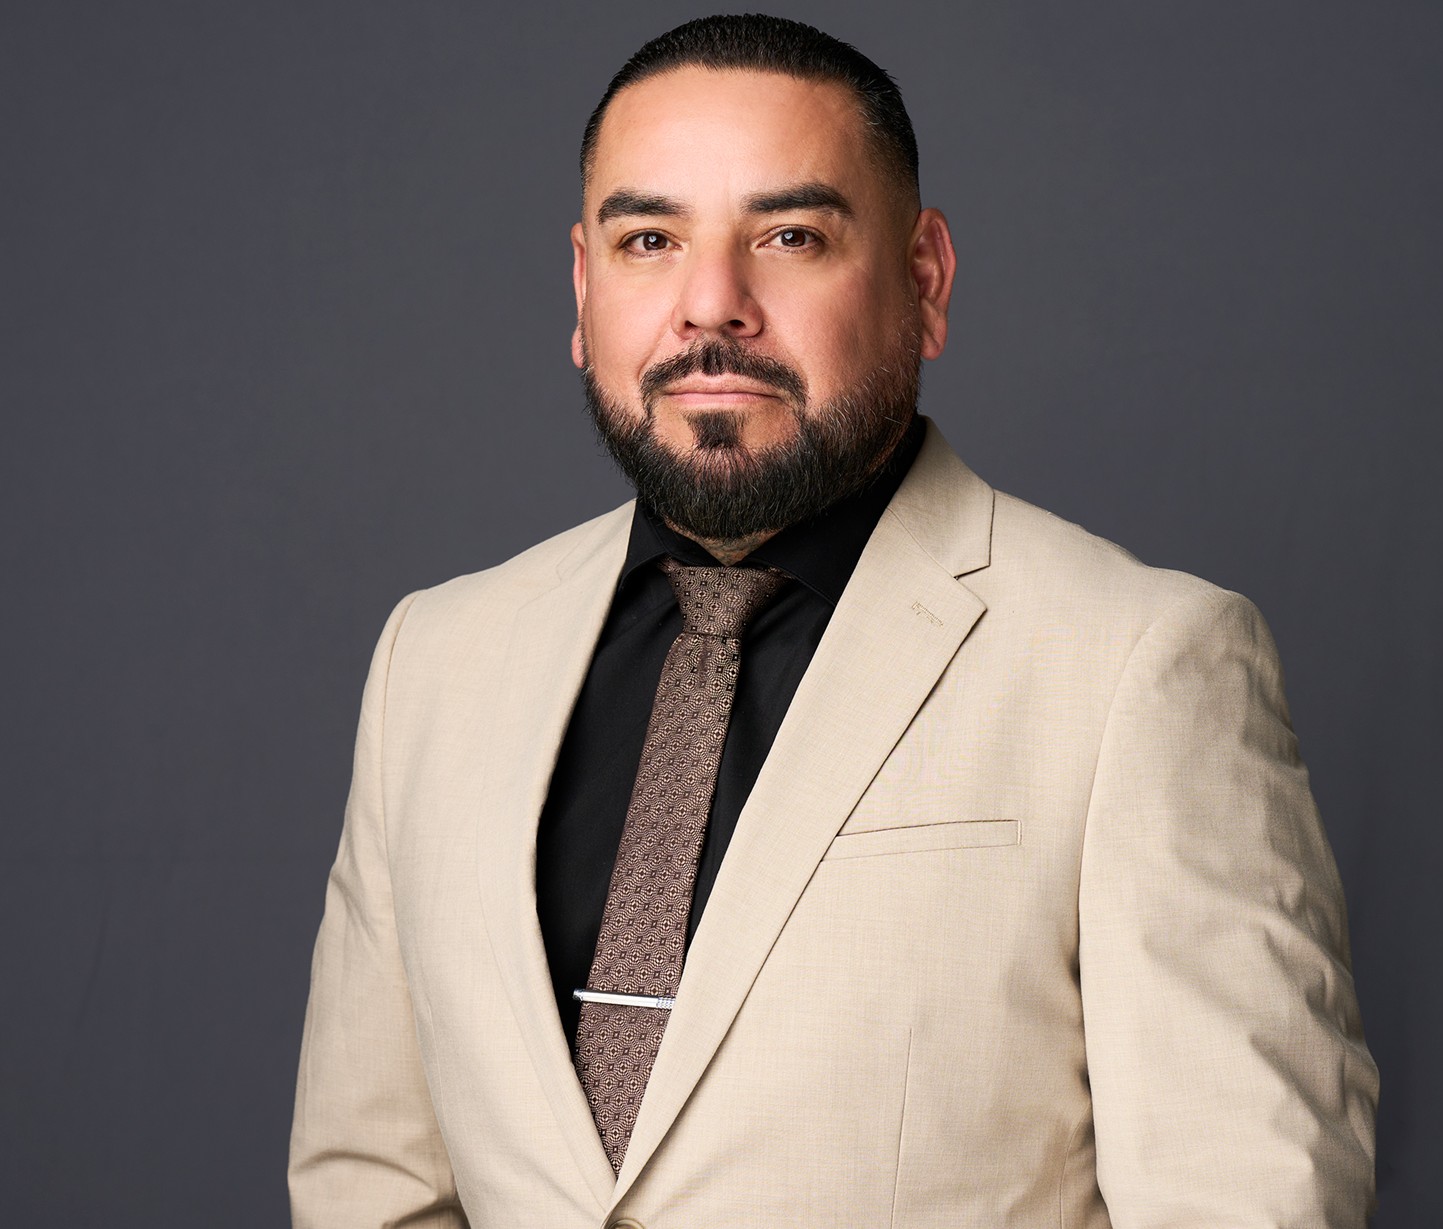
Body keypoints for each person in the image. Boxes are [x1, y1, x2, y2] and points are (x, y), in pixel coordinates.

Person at [289, 14, 1377, 1227]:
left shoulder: (1143, 665)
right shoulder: (436, 661)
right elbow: (372, 1183)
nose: (713, 307)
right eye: (650, 239)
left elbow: (1243, 1201)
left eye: (790, 236)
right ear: (585, 290)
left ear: (925, 280)